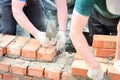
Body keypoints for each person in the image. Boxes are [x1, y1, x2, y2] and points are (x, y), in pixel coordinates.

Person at [69, 0, 120, 80]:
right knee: (96, 47)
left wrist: (118, 59)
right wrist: (94, 67)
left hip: (117, 18)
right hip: (96, 13)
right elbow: (75, 32)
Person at [0, 0, 67, 49]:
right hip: (9, 2)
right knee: (8, 32)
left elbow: (62, 6)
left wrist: (62, 31)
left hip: (33, 1)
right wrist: (37, 34)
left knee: (40, 30)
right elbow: (17, 11)